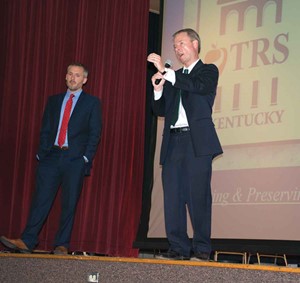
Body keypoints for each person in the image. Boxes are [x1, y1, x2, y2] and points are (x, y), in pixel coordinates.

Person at [0, 62, 102, 255]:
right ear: (65, 76)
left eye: (78, 75)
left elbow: (95, 133)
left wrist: (86, 158)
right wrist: (42, 152)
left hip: (75, 160)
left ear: (85, 80)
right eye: (70, 74)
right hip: (51, 157)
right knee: (40, 200)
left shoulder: (92, 103)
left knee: (69, 203)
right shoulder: (54, 100)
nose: (73, 78)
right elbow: (45, 128)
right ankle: (27, 241)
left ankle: (62, 244)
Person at [147, 28, 222, 261]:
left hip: (196, 142)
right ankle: (177, 248)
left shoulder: (208, 71)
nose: (177, 49)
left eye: (181, 43)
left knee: (198, 196)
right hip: (173, 141)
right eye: (175, 45)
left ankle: (201, 249)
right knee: (173, 197)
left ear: (195, 44)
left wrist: (167, 73)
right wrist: (158, 89)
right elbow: (160, 110)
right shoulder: (173, 76)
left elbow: (198, 87)